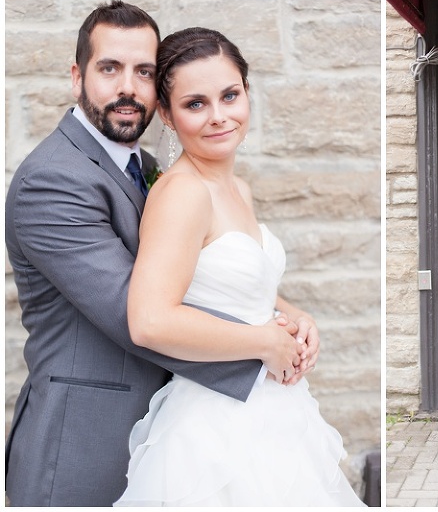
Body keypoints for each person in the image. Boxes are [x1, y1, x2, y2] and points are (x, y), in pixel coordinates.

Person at [4, 0, 316, 507]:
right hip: (84, 447)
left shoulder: (145, 166)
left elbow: (195, 272)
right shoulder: (52, 181)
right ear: (77, 77)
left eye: (144, 72)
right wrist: (266, 345)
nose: (128, 87)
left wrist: (287, 313)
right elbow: (138, 314)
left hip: (170, 428)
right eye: (110, 68)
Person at [112, 27, 365, 506]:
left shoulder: (238, 189)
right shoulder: (182, 193)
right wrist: (265, 342)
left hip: (275, 412)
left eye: (230, 95)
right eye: (195, 104)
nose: (219, 116)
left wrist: (294, 315)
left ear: (247, 92)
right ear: (165, 114)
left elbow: (229, 281)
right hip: (216, 424)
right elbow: (149, 321)